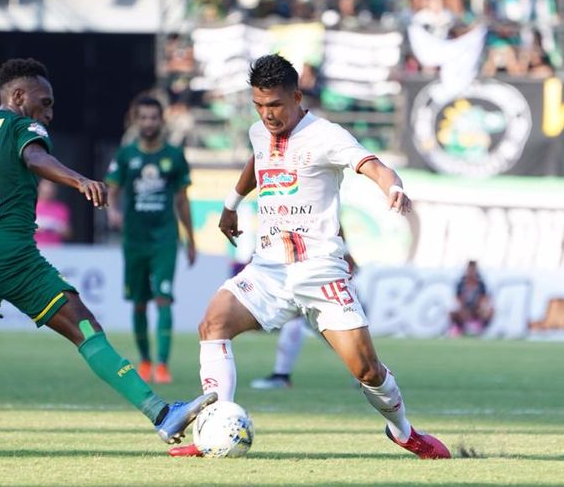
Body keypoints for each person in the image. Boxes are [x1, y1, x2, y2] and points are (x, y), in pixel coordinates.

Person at [0, 58, 216, 453]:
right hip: (11, 254)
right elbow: (35, 159)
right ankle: (161, 412)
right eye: (45, 102)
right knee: (84, 325)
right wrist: (79, 179)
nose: (49, 113)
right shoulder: (21, 126)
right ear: (18, 96)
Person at [169, 54, 450, 459]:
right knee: (213, 324)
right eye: (259, 107)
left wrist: (393, 188)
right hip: (268, 269)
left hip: (320, 270)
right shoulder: (258, 132)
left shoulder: (327, 136)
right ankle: (213, 428)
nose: (268, 115)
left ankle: (404, 431)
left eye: (276, 106)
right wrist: (231, 205)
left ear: (297, 97)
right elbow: (257, 162)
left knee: (367, 371)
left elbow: (371, 165)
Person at [105, 96, 196, 385]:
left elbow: (182, 200)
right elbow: (112, 189)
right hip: (135, 239)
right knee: (140, 303)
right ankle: (144, 360)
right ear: (136, 121)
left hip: (164, 239)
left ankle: (163, 365)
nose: (148, 123)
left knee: (164, 298)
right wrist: (113, 211)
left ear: (161, 121)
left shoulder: (174, 156)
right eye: (143, 118)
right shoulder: (125, 155)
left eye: (153, 118)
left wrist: (190, 240)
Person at [251, 247, 357, 390]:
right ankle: (281, 376)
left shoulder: (323, 233)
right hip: (302, 287)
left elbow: (349, 261)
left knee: (334, 336)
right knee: (294, 325)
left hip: (324, 289)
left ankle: (366, 373)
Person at [449, 260, 494, 337]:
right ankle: (459, 328)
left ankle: (479, 329)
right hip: (464, 308)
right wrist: (464, 309)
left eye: (473, 270)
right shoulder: (461, 283)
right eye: (470, 270)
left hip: (476, 309)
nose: (471, 272)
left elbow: (484, 299)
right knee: (452, 312)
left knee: (489, 311)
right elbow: (458, 299)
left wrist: (480, 308)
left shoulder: (480, 284)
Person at [34, 179, 72, 245]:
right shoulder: (31, 207)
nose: (48, 194)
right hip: (35, 246)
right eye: (45, 192)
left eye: (50, 192)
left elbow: (68, 233)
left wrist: (58, 228)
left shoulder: (61, 208)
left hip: (55, 248)